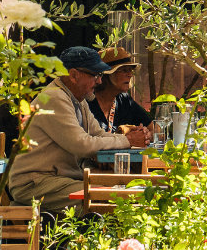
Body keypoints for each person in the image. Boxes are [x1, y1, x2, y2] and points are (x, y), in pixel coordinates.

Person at [8, 47, 152, 213]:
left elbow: (98, 134)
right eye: (95, 75)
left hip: (58, 179)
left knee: (122, 191)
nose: (99, 81)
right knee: (108, 197)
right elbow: (82, 144)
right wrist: (128, 140)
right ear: (74, 75)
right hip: (34, 183)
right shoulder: (54, 98)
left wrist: (131, 138)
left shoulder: (78, 99)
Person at [87, 46, 153, 129]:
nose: (130, 75)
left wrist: (147, 135)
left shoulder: (125, 100)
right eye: (124, 70)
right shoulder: (87, 101)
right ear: (107, 75)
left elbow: (154, 129)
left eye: (130, 70)